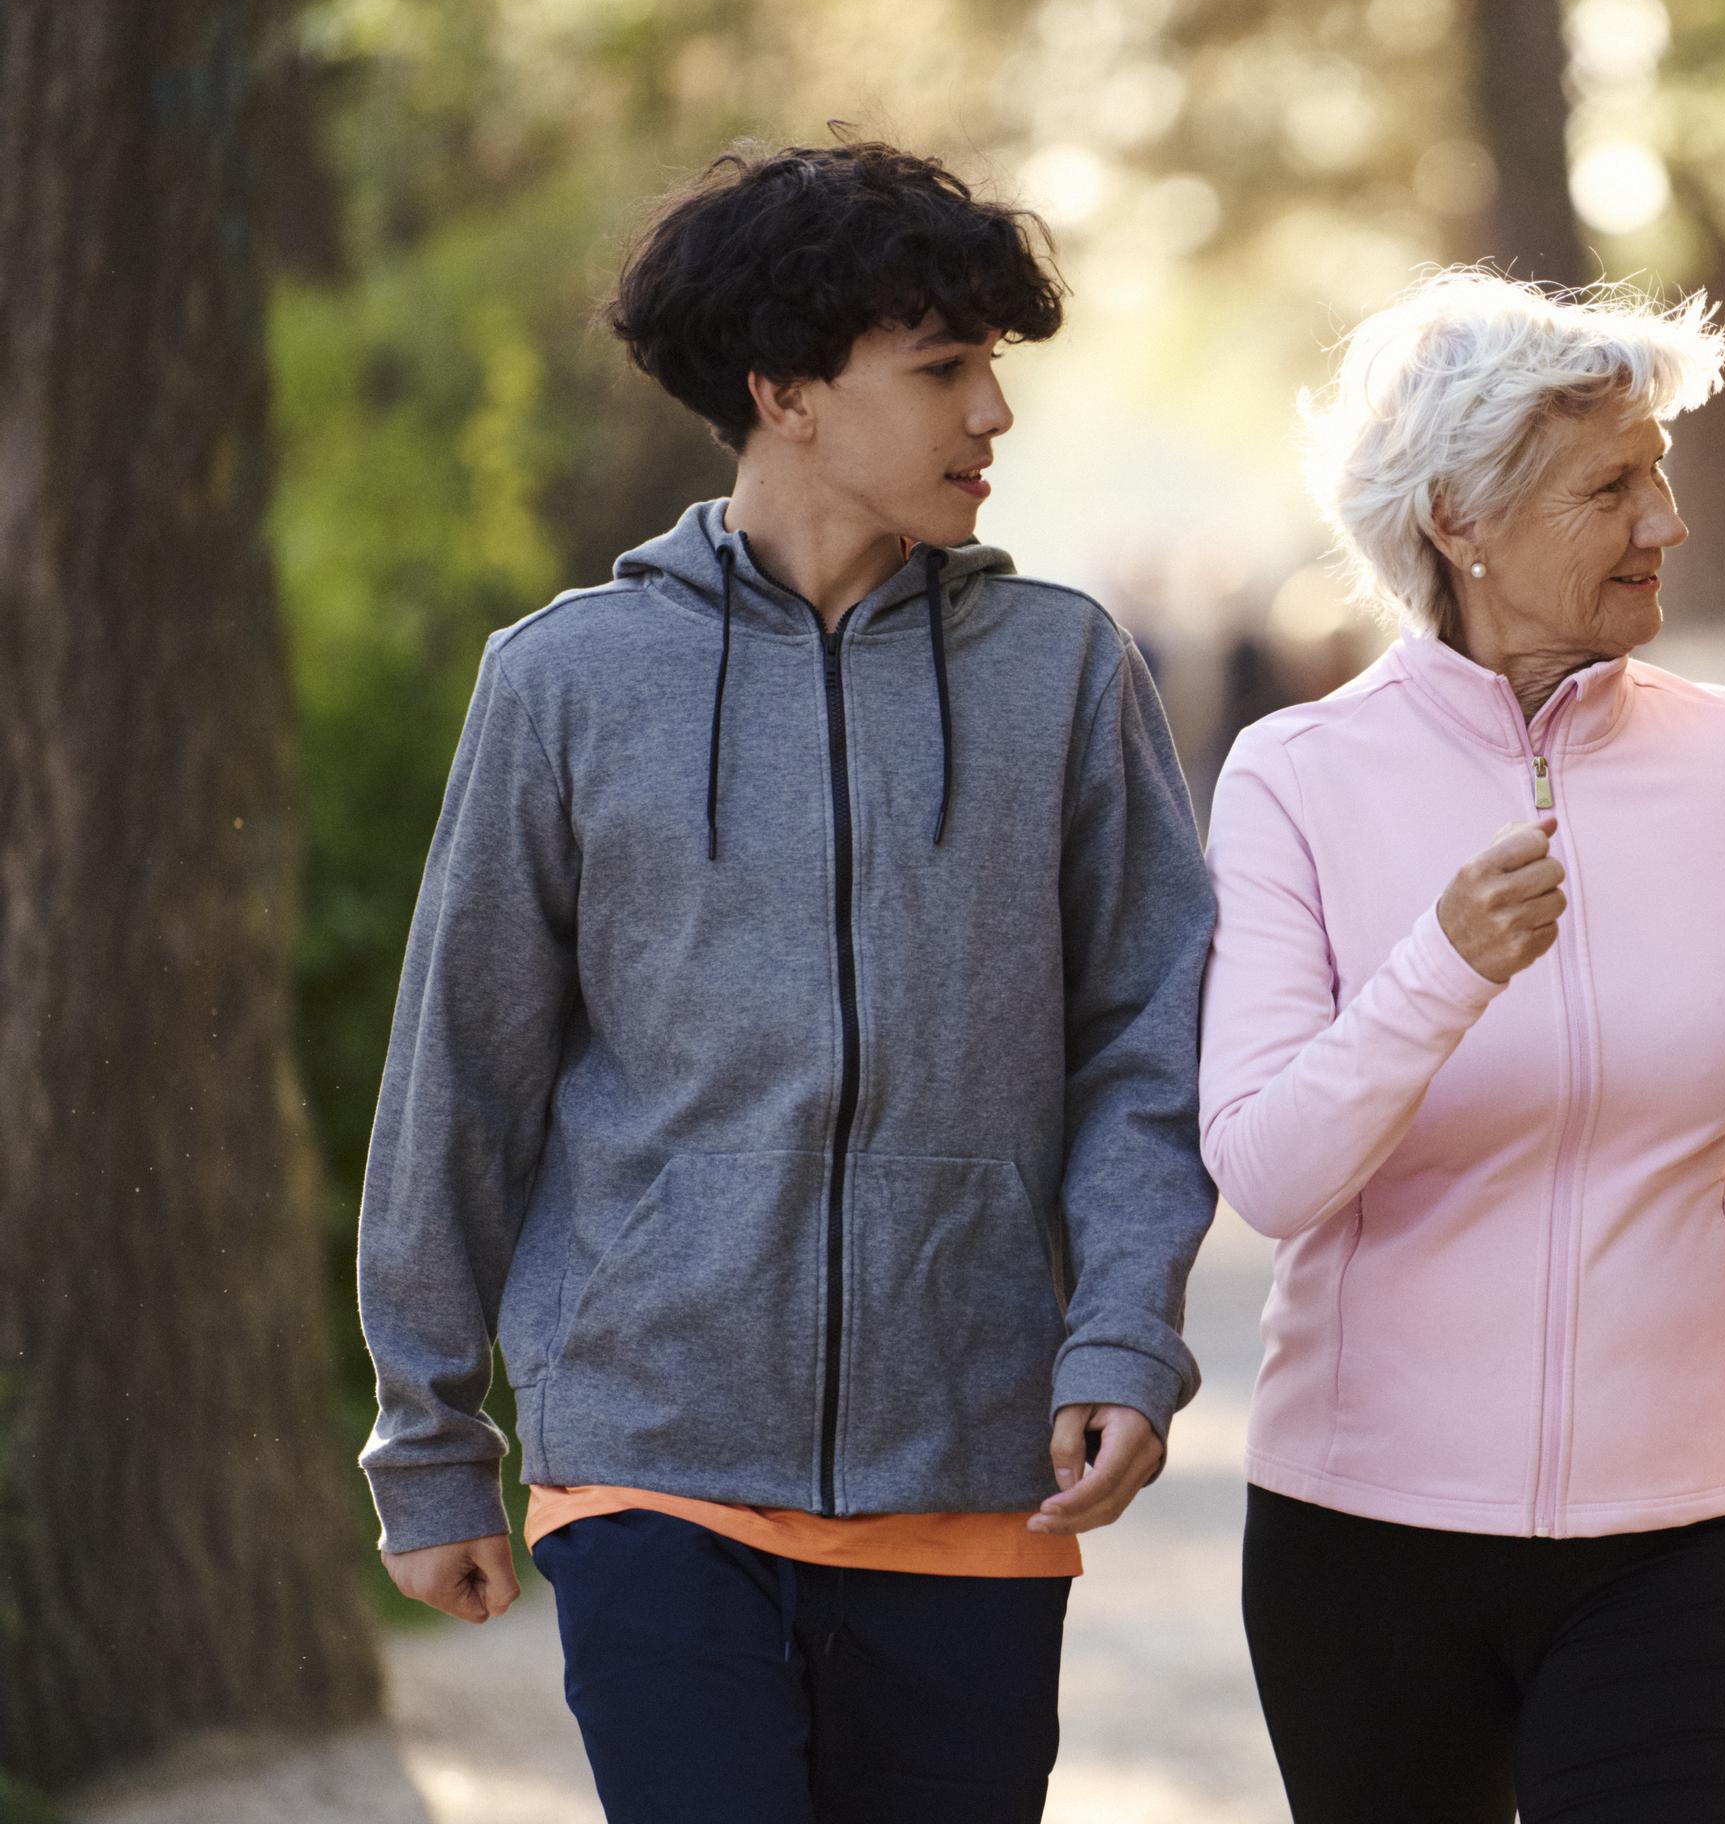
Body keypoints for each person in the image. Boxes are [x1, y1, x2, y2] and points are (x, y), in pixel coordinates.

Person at [353, 140, 1217, 1824]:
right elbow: (463, 1072)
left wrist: (1119, 1338)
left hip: (974, 1470)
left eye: (996, 368)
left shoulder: (1060, 672)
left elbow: (1148, 1040)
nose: (994, 416)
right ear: (787, 392)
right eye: (945, 368)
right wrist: (430, 1438)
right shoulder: (568, 685)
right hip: (654, 1463)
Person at [1199, 269, 1725, 1823]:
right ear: (1459, 519)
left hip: (1685, 1539)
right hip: (1368, 1541)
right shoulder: (1294, 776)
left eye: (1663, 476)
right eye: (1612, 485)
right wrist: (1441, 969)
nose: (1665, 524)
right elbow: (1269, 1170)